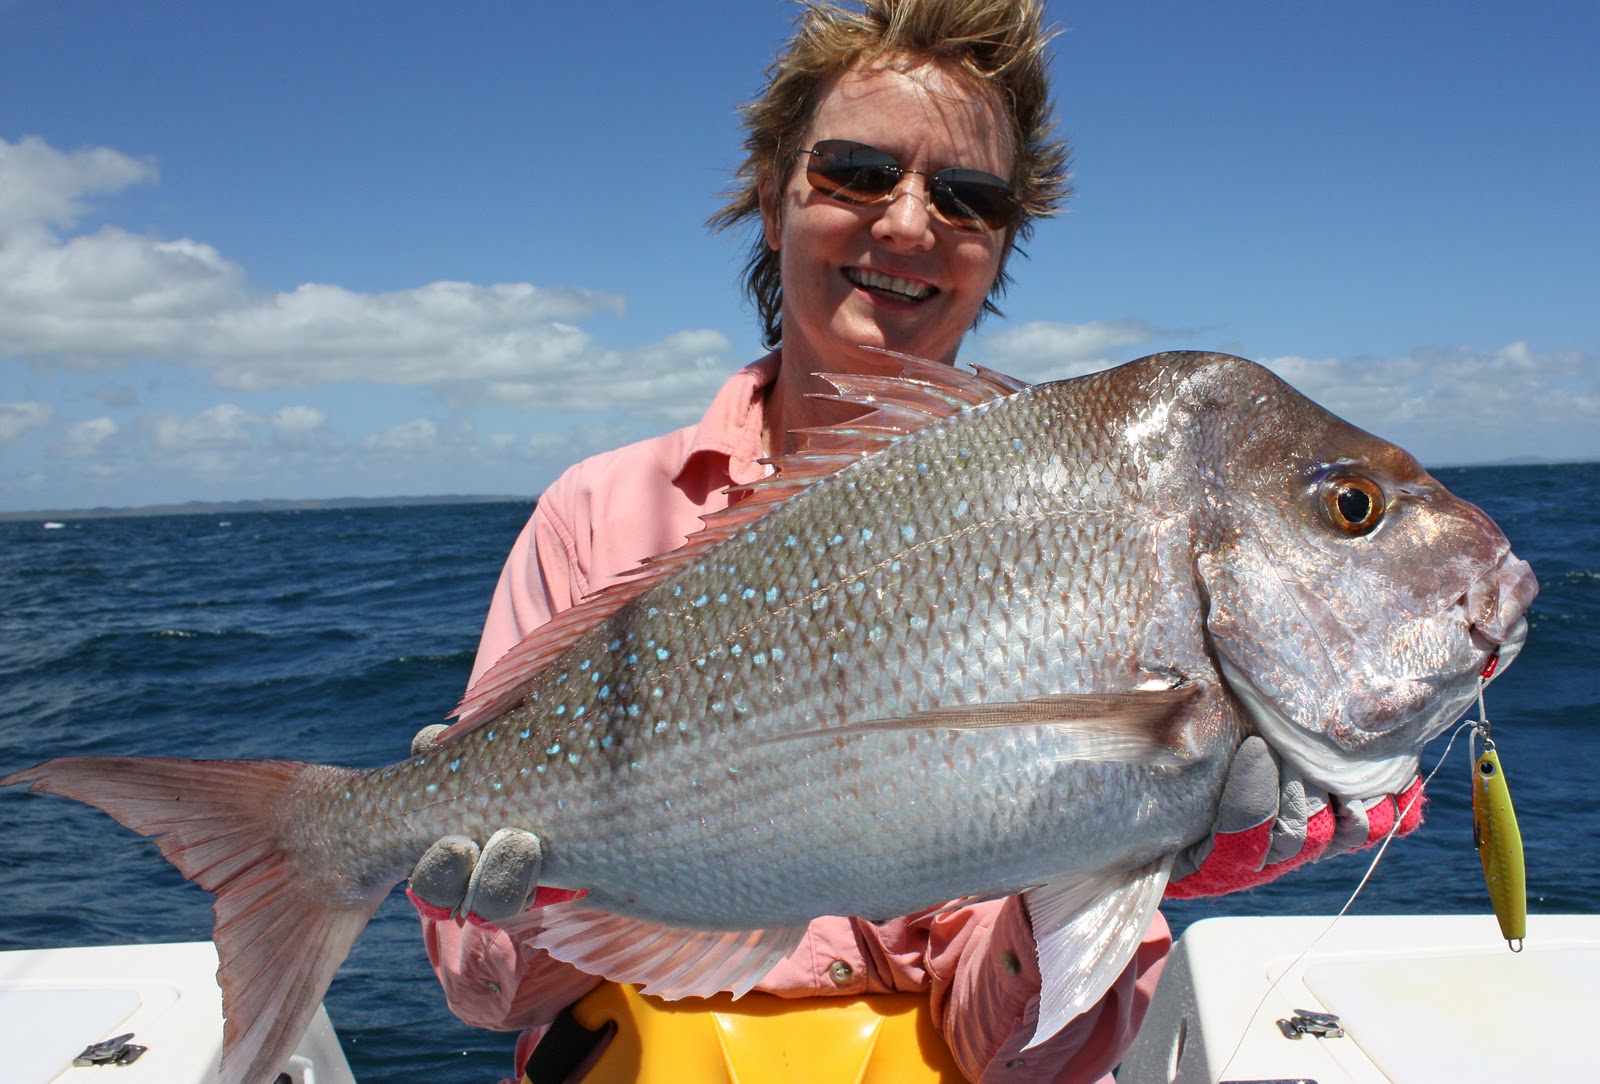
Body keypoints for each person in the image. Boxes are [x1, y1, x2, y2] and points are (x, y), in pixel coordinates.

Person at [408, 2, 1425, 1081]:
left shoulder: (1077, 523)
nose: (905, 224)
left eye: (968, 197)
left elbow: (1021, 1051)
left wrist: (1111, 877)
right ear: (773, 200)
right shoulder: (595, 515)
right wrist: (524, 901)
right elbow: (485, 992)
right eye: (855, 172)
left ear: (999, 246)